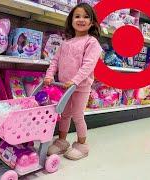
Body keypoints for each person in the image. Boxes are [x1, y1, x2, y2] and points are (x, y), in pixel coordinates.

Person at [45, 3, 103, 160]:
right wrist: (49, 75)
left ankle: (82, 145)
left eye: (86, 17)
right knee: (64, 114)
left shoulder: (92, 42)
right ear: (71, 20)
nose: (81, 19)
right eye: (77, 16)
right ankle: (62, 142)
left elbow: (88, 65)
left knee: (77, 115)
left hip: (81, 86)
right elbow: (55, 61)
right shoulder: (65, 43)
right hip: (66, 86)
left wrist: (75, 80)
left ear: (92, 22)